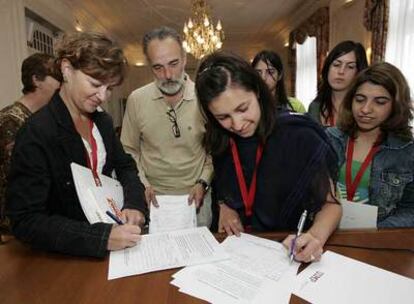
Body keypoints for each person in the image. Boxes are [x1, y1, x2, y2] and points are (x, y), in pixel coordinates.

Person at [6, 32, 148, 257]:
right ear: (66, 69)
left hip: (110, 247)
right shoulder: (38, 131)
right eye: (95, 83)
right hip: (62, 259)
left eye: (109, 88)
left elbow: (126, 167)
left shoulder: (102, 121)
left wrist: (134, 204)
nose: (103, 96)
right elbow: (26, 221)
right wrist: (101, 238)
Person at [195, 52, 341, 263]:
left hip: (290, 248)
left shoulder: (299, 134)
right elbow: (223, 182)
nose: (237, 125)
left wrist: (315, 237)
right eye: (223, 117)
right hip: (240, 249)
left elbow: (332, 205)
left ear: (257, 91)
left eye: (243, 108)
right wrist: (224, 205)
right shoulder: (221, 137)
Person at [121, 26, 213, 227]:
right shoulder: (137, 100)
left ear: (185, 59)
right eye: (158, 67)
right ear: (149, 65)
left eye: (173, 63)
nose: (168, 74)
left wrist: (203, 182)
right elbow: (128, 150)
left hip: (198, 199)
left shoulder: (206, 97)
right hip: (152, 200)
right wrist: (141, 185)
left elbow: (215, 151)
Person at [326, 62, 414, 227]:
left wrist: (373, 231)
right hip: (325, 235)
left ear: (396, 106)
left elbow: (410, 210)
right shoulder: (329, 139)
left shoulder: (407, 152)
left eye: (379, 102)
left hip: (375, 240)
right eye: (360, 99)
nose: (365, 109)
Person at [0, 53, 60, 240]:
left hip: (40, 220)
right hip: (14, 227)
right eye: (56, 77)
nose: (61, 83)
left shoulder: (43, 119)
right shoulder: (10, 120)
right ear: (36, 79)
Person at [308, 41, 368, 126]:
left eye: (350, 67)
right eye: (336, 65)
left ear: (358, 72)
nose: (341, 71)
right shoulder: (315, 107)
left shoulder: (364, 109)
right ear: (328, 68)